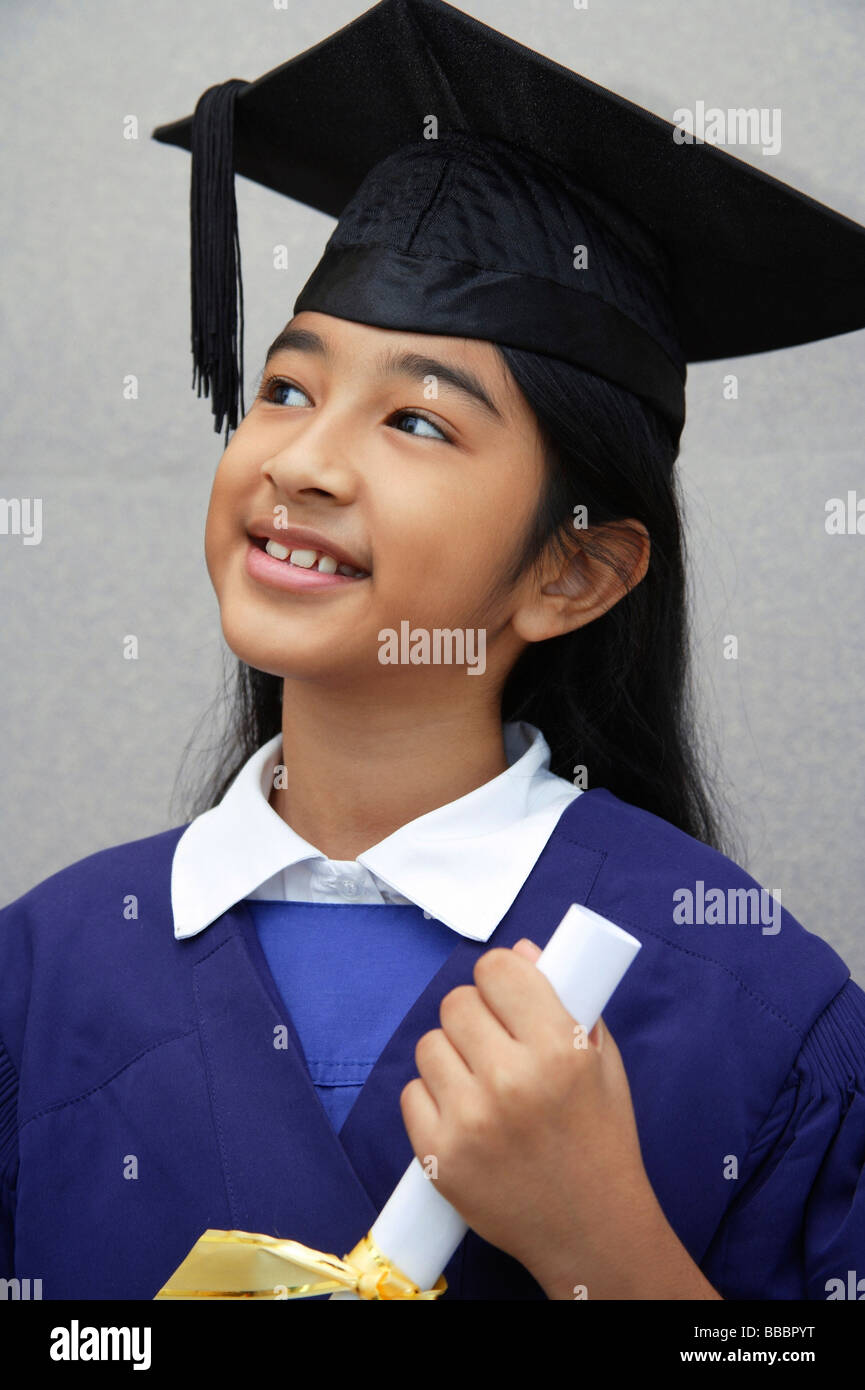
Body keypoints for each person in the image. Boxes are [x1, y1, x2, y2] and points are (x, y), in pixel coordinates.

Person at [2, 0, 864, 1301]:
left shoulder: (754, 999)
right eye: (285, 388)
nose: (298, 459)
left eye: (413, 420)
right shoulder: (43, 972)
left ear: (572, 568)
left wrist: (600, 1248)